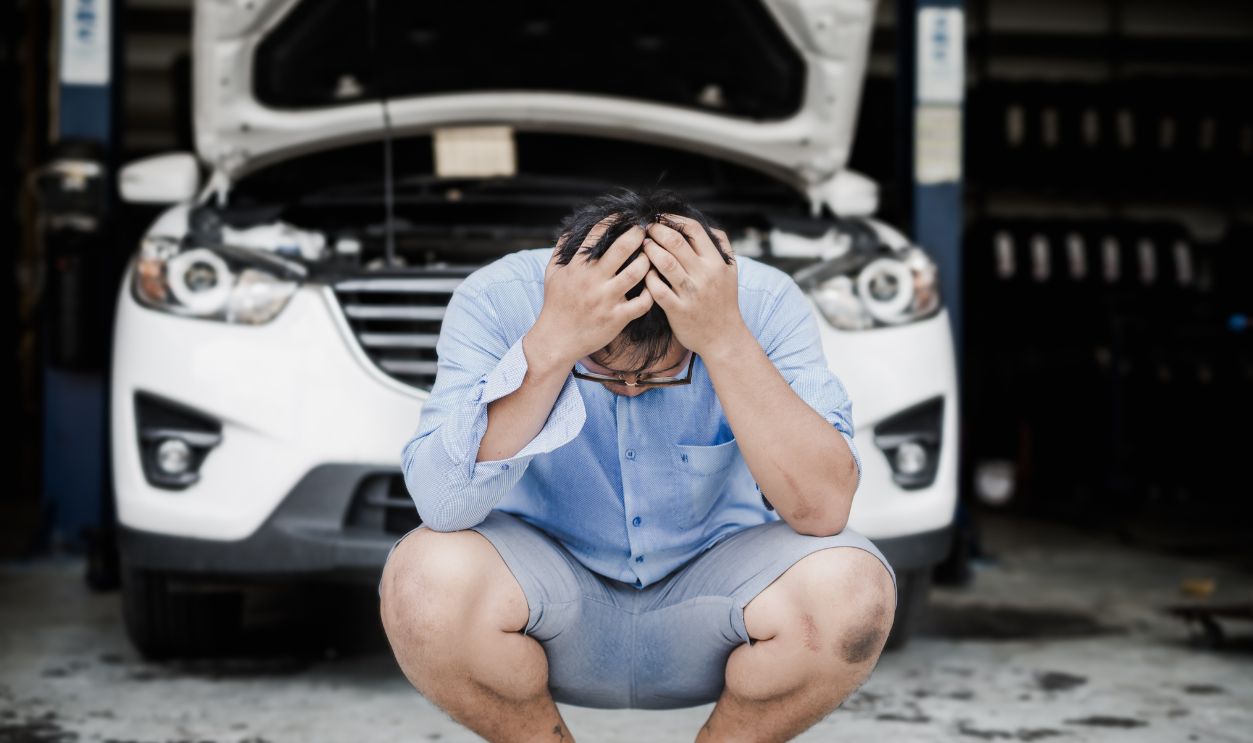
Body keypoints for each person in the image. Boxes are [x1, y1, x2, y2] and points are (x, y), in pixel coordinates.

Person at [378, 189, 898, 742]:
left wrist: (724, 341)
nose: (630, 389)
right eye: (604, 370)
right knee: (423, 586)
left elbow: (823, 509)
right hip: (550, 594)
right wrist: (552, 343)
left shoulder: (764, 302)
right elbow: (440, 501)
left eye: (659, 375)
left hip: (715, 595)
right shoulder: (498, 298)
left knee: (852, 592)